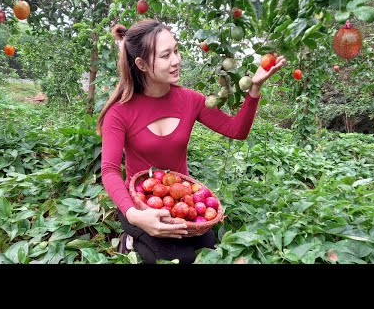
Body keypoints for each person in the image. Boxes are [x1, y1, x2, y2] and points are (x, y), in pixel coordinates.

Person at [96, 19, 286, 264]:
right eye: (165, 55)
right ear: (141, 64)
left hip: (182, 201)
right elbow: (110, 170)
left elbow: (236, 130)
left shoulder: (190, 100)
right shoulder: (120, 112)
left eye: (176, 50)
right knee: (179, 259)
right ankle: (131, 238)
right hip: (141, 205)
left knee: (211, 252)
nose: (176, 60)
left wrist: (255, 88)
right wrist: (134, 215)